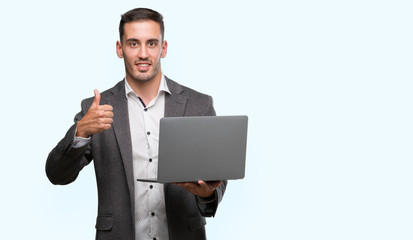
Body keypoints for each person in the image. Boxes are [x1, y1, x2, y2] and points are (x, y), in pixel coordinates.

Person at [46, 7, 227, 240]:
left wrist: (207, 193)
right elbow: (56, 174)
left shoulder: (198, 105)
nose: (143, 53)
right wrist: (80, 132)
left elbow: (218, 178)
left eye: (151, 43)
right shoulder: (96, 109)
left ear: (163, 48)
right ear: (120, 49)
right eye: (133, 44)